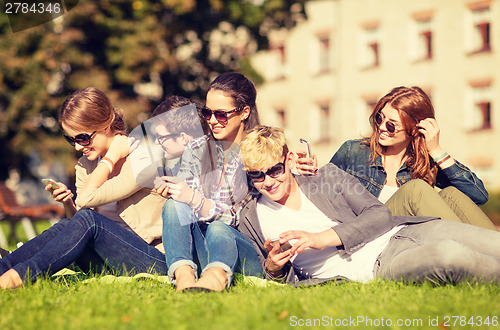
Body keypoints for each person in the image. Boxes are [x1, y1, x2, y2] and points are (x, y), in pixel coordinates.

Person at [238, 125, 500, 286]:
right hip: (380, 264)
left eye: (274, 170)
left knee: (494, 244)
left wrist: (322, 238)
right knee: (451, 255)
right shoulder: (252, 218)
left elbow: (380, 214)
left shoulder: (326, 176)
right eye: (256, 175)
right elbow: (274, 277)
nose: (268, 182)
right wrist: (274, 268)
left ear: (290, 159)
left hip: (403, 233)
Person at [0, 87, 168, 289]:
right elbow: (78, 226)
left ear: (106, 126)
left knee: (89, 220)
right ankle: (3, 268)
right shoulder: (86, 165)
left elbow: (88, 203)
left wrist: (110, 158)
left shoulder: (142, 159)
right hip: (108, 259)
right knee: (64, 225)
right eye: (71, 140)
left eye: (82, 138)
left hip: (154, 259)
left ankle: (17, 278)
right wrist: (68, 203)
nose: (78, 147)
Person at [329, 86, 496, 230]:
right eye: (380, 118)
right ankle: (471, 249)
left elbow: (478, 196)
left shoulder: (424, 163)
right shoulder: (354, 151)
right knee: (414, 189)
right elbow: (320, 193)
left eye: (391, 125)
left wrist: (437, 150)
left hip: (406, 241)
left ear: (415, 129)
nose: (381, 127)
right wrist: (309, 173)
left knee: (451, 193)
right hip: (367, 234)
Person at [155, 72, 263, 292]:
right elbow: (185, 203)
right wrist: (176, 192)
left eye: (221, 114)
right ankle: (184, 278)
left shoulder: (258, 153)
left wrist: (194, 199)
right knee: (174, 205)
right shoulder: (197, 148)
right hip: (203, 246)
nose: (212, 120)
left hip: (239, 249)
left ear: (244, 113)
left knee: (217, 229)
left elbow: (238, 218)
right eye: (207, 112)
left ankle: (216, 279)